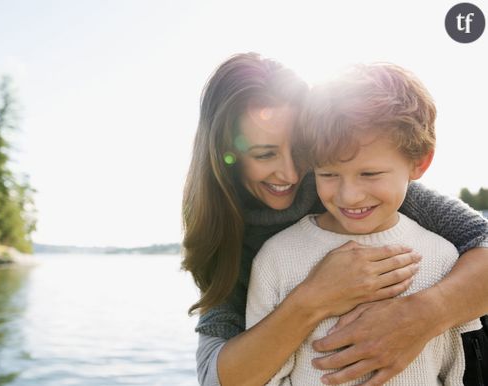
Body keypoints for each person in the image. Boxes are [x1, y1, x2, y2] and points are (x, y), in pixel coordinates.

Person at [181, 52, 488, 386]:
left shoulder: (346, 176)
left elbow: (482, 242)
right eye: (265, 154)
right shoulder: (230, 237)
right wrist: (312, 299)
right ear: (227, 156)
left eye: (301, 149)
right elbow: (216, 377)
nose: (291, 172)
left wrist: (421, 316)